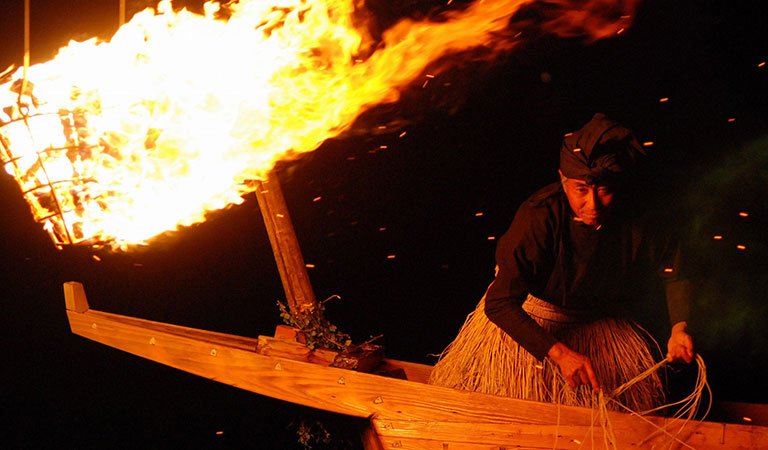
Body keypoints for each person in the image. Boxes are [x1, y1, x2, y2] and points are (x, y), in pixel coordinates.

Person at [429, 113, 694, 412]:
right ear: (562, 178)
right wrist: (557, 353)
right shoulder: (539, 217)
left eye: (604, 190)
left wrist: (679, 329)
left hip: (600, 324)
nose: (592, 204)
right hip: (534, 324)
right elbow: (500, 302)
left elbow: (675, 273)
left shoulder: (642, 219)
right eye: (581, 190)